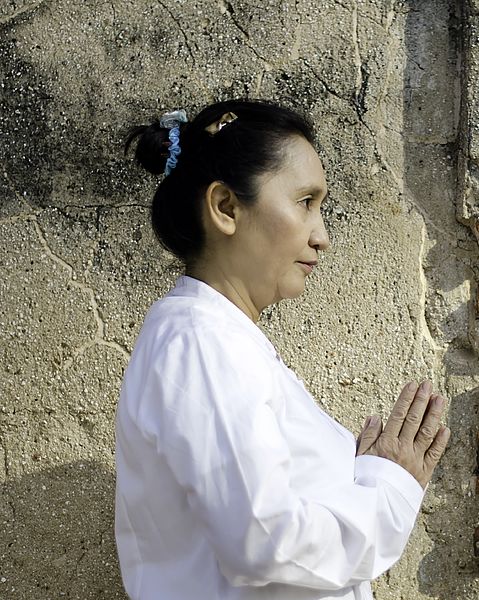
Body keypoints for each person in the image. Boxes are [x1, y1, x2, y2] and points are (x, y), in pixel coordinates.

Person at [115, 98, 451, 600]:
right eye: (305, 202)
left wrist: (354, 477)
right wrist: (388, 492)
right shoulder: (202, 343)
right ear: (226, 208)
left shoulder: (222, 340)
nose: (322, 237)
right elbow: (264, 539)